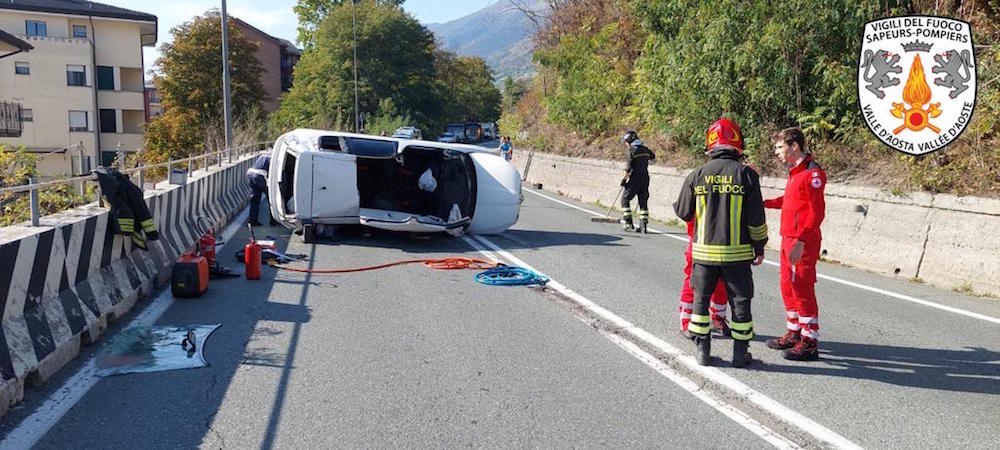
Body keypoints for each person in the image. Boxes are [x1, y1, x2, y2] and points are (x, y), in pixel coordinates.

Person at [674, 118, 768, 367]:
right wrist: (759, 246)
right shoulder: (747, 175)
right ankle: (740, 353)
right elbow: (756, 218)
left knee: (701, 301)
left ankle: (702, 351)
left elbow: (683, 212)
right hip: (737, 256)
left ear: (710, 147)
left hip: (703, 255)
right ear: (738, 146)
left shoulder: (698, 174)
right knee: (740, 303)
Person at [763, 127, 827, 361]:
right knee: (787, 285)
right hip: (788, 236)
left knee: (801, 286)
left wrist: (801, 240)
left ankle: (810, 341)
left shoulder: (813, 174)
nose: (777, 152)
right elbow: (790, 202)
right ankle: (795, 331)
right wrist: (765, 203)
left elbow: (816, 212)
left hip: (802, 240)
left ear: (794, 146)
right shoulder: (795, 173)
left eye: (780, 147)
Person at [620, 130, 655, 233]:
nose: (626, 144)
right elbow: (653, 158)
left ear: (630, 141)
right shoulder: (645, 149)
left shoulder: (632, 150)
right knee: (643, 201)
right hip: (645, 178)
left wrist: (624, 180)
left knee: (625, 200)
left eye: (626, 142)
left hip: (635, 178)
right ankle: (643, 225)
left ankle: (628, 223)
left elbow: (628, 169)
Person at [246, 153, 277, 227]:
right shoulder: (274, 157)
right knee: (271, 198)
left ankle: (252, 220)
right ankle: (273, 220)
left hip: (250, 173)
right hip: (260, 175)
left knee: (255, 199)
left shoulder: (264, 155)